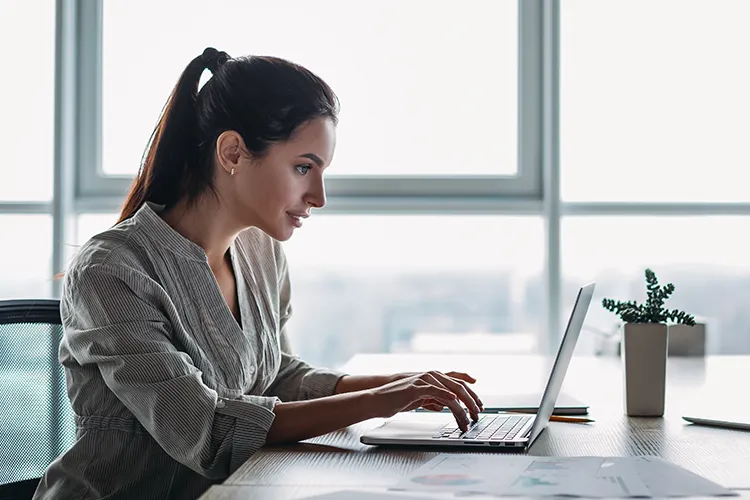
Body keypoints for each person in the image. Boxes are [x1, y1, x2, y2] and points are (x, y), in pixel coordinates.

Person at [33, 47, 484, 500]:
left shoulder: (259, 249)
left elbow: (272, 379)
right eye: (303, 167)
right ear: (232, 151)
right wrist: (376, 403)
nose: (319, 196)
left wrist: (400, 387)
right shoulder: (112, 271)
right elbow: (207, 433)